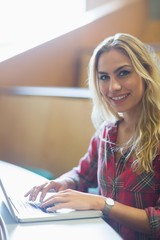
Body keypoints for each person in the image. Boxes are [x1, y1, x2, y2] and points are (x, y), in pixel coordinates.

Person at [25, 33, 160, 240]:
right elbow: (82, 174)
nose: (113, 87)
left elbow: (157, 222)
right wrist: (62, 182)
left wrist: (102, 203)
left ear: (145, 73)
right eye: (104, 77)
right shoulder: (108, 132)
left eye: (123, 73)